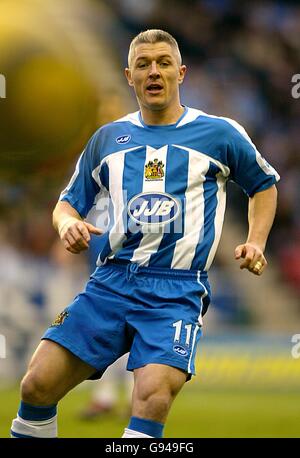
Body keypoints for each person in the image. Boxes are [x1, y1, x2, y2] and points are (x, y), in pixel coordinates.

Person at [11, 29, 279, 439]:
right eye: (143, 64)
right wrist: (67, 224)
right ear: (129, 75)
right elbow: (66, 203)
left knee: (152, 396)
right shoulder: (107, 140)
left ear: (181, 73)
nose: (154, 71)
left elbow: (263, 184)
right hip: (110, 283)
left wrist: (256, 241)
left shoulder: (219, 133)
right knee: (36, 384)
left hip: (176, 290)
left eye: (163, 63)